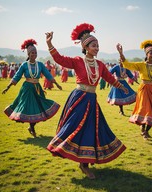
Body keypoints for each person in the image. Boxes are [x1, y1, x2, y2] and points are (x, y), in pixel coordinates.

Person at [45, 23, 128, 179]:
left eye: (98, 46)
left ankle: (85, 163)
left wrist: (121, 87)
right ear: (86, 47)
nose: (97, 48)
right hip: (78, 99)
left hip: (91, 99)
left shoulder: (100, 64)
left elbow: (109, 78)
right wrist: (50, 44)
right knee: (75, 128)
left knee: (92, 129)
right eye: (94, 45)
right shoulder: (77, 61)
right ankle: (78, 160)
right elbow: (60, 59)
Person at [2, 39, 62, 138]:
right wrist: (8, 87)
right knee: (30, 108)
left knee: (39, 108)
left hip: (37, 89)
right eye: (32, 53)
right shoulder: (24, 65)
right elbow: (17, 76)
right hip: (27, 89)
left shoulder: (40, 64)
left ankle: (31, 127)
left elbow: (47, 74)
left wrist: (56, 84)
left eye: (35, 53)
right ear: (28, 54)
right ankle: (32, 128)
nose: (34, 54)